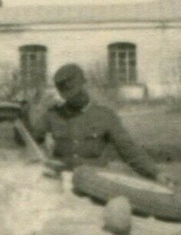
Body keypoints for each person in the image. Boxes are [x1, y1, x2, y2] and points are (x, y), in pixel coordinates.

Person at [35, 63, 171, 184]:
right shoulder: (53, 115)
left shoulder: (105, 116)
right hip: (61, 182)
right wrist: (23, 115)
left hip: (95, 183)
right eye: (69, 96)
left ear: (85, 84)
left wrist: (156, 173)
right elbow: (30, 138)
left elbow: (129, 149)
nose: (75, 98)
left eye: (77, 93)